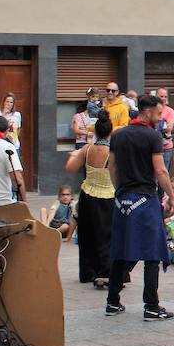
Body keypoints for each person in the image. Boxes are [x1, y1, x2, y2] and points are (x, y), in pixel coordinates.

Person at [105, 95, 174, 320]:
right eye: (157, 113)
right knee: (152, 252)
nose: (159, 117)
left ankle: (112, 301)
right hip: (145, 199)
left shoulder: (118, 135)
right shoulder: (152, 136)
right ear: (147, 112)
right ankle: (151, 306)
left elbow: (112, 167)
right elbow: (160, 170)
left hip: (122, 200)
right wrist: (172, 196)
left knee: (120, 250)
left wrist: (120, 190)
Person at [65, 110, 113, 287]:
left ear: (96, 131)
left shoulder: (86, 149)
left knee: (87, 234)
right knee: (106, 235)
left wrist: (73, 156)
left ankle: (87, 272)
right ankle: (105, 272)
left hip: (87, 195)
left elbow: (70, 168)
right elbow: (118, 176)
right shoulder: (111, 152)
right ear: (109, 132)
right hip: (107, 196)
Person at [156, 87, 174, 173]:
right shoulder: (153, 109)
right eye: (161, 96)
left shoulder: (170, 111)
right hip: (154, 145)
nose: (163, 99)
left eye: (165, 96)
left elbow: (169, 127)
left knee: (164, 172)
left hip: (166, 147)